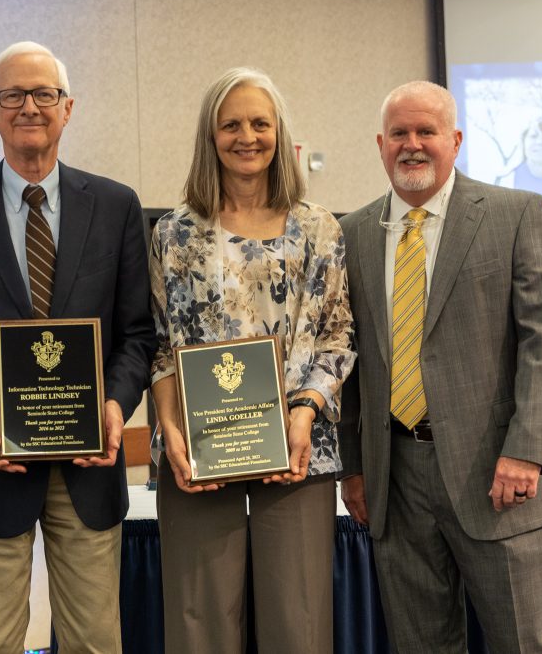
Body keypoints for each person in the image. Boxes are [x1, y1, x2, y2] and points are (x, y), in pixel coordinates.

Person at [0, 41, 155, 653]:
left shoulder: (118, 208)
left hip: (89, 465)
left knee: (96, 641)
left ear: (68, 108)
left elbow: (137, 335)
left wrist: (116, 406)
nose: (29, 107)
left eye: (44, 94)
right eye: (13, 95)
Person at [338, 81, 542, 653]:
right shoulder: (353, 233)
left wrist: (526, 451)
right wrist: (353, 465)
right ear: (380, 143)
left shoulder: (516, 213)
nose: (412, 145)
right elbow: (346, 359)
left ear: (456, 140)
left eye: (427, 132)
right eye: (400, 133)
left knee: (527, 644)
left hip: (501, 476)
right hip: (395, 479)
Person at [149, 67, 355, 653]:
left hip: (297, 450)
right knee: (198, 628)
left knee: (299, 624)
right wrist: (168, 426)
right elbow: (159, 344)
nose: (247, 136)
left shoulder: (319, 228)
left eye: (260, 123)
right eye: (231, 124)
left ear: (279, 133)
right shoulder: (174, 234)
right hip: (198, 451)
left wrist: (304, 413)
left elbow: (338, 337)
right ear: (209, 136)